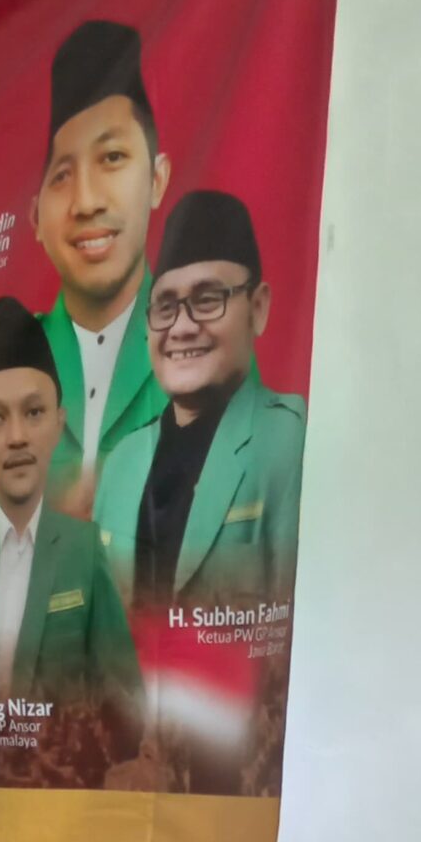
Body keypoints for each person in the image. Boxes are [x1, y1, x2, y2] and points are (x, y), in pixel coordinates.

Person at [0, 21, 171, 522]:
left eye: (113, 157)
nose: (87, 201)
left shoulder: (202, 347)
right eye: (62, 175)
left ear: (157, 180)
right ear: (36, 218)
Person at [0, 298, 142, 720]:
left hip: (62, 762)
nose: (17, 436)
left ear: (58, 422)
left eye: (34, 412)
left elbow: (126, 702)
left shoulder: (85, 551)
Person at [95, 188, 305, 613]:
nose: (182, 328)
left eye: (207, 300)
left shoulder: (288, 442)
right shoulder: (120, 464)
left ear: (258, 308)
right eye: (165, 306)